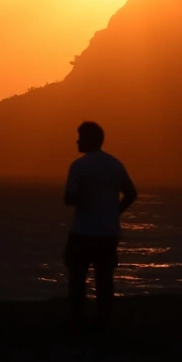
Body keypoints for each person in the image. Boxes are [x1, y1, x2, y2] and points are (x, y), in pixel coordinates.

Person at [64, 121, 137, 330]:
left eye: (80, 136)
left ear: (89, 139)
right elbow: (131, 193)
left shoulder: (78, 166)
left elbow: (69, 198)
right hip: (108, 232)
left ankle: (76, 320)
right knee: (104, 278)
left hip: (83, 231)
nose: (77, 140)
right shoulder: (115, 164)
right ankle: (104, 320)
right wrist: (114, 212)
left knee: (77, 277)